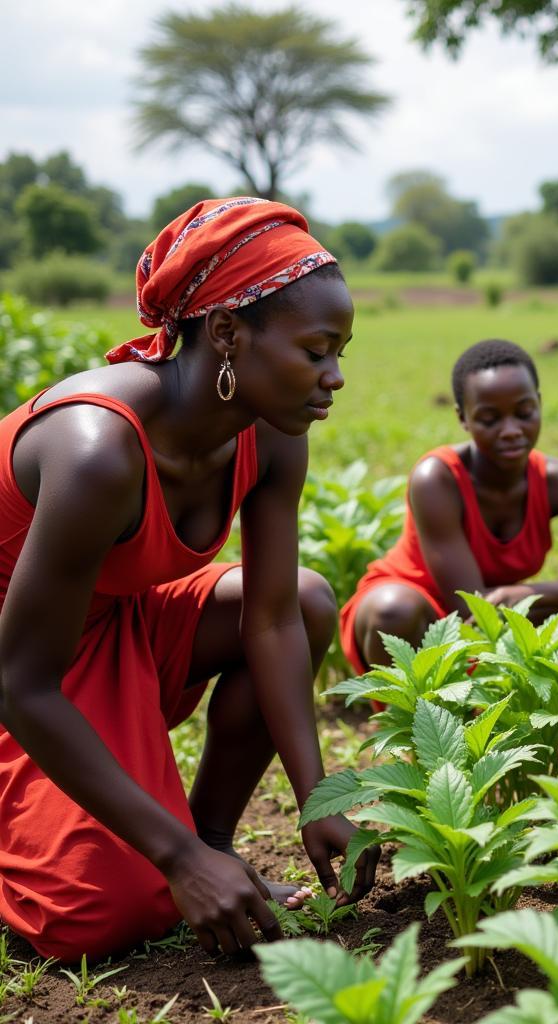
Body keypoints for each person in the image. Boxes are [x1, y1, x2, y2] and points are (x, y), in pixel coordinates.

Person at [0, 197, 377, 962]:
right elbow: (21, 681)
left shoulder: (272, 433)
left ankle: (214, 844)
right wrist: (171, 863)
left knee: (307, 598)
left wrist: (316, 797)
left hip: (115, 626)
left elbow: (270, 618)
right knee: (99, 916)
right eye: (315, 350)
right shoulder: (99, 452)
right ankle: (178, 856)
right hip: (24, 665)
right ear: (229, 333)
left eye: (341, 351)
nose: (334, 377)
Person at [340, 339, 558, 673]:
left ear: (538, 404)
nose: (510, 431)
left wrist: (529, 593)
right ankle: (419, 720)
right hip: (425, 610)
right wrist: (525, 597)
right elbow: (472, 606)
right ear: (463, 418)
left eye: (523, 413)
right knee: (394, 610)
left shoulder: (557, 481)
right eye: (490, 419)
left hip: (501, 605)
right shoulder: (437, 478)